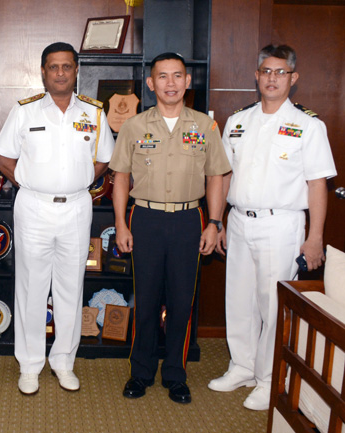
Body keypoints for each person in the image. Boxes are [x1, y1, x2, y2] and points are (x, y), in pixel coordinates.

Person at [208, 44, 337, 411]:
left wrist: (315, 238)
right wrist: (217, 222)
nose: (272, 78)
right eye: (266, 71)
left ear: (293, 79)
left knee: (272, 303)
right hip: (239, 222)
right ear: (256, 74)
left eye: (280, 72)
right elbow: (223, 175)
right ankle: (242, 366)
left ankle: (268, 378)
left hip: (281, 225)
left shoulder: (309, 126)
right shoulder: (238, 121)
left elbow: (317, 184)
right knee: (239, 299)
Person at [0, 42, 115, 395]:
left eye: (66, 66)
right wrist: (30, 183)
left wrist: (76, 183)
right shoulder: (24, 111)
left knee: (70, 286)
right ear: (43, 72)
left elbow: (103, 159)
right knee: (31, 288)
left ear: (76, 70)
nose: (60, 73)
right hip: (33, 207)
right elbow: (3, 157)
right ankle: (30, 364)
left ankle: (63, 361)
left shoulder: (94, 112)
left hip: (77, 207)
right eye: (53, 67)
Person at [110, 52, 231, 404]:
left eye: (178, 76)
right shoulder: (133, 126)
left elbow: (216, 177)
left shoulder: (206, 126)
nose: (171, 83)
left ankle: (176, 373)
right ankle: (141, 372)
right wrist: (120, 222)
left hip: (188, 219)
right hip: (144, 218)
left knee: (182, 300)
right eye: (163, 76)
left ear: (187, 81)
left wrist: (213, 222)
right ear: (151, 84)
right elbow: (120, 178)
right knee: (146, 299)